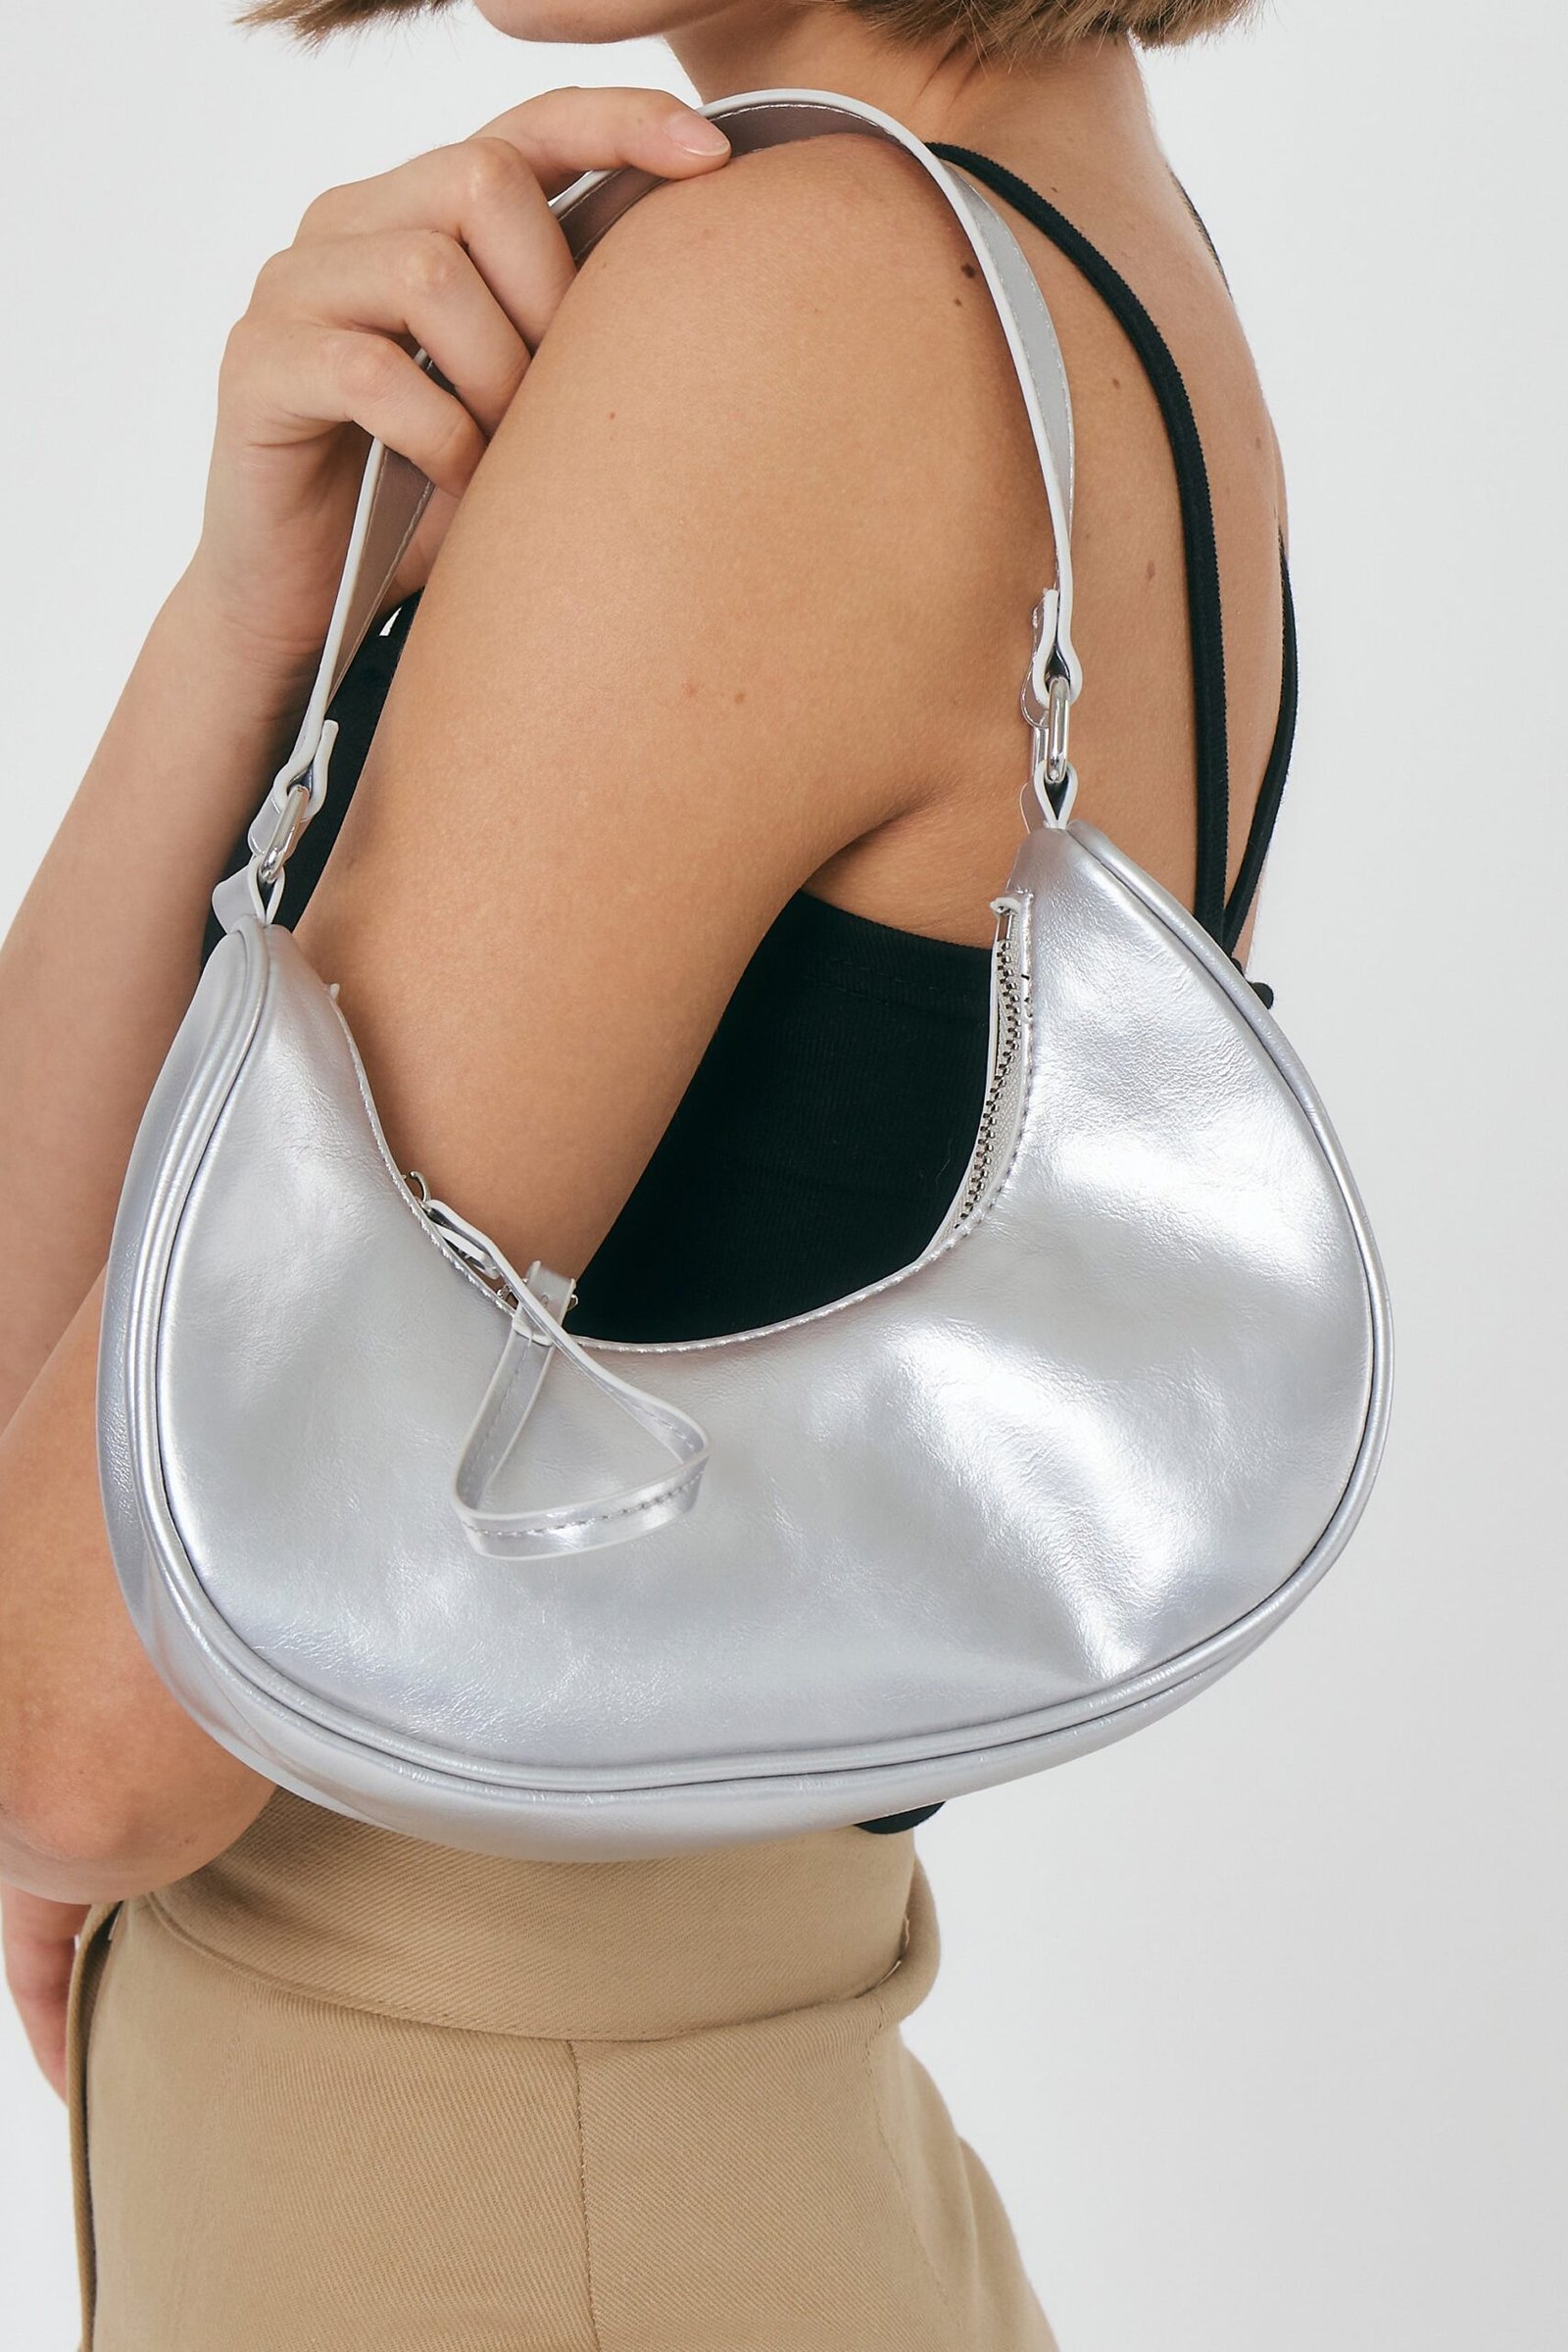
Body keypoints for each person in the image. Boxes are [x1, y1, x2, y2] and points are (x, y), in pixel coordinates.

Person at [0, 0, 1293, 2341]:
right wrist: (252, 622)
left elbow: (81, 1742)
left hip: (487, 2193)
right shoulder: (1045, 240)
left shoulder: (801, 298)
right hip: (654, 2144)